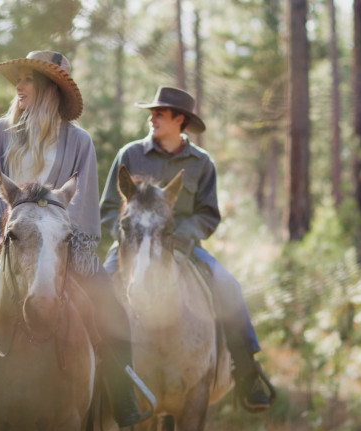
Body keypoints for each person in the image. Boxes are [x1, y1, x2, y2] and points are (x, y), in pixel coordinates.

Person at [0, 50, 151, 431]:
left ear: (50, 88)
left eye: (28, 79)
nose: (19, 87)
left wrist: (69, 245)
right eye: (19, 80)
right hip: (7, 241)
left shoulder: (79, 142)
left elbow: (82, 207)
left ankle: (123, 394)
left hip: (60, 243)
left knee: (112, 307)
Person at [100, 86, 272, 412]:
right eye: (151, 113)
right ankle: (95, 375)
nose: (152, 119)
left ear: (180, 120)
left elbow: (208, 214)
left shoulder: (201, 163)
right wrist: (128, 238)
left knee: (227, 284)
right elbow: (109, 207)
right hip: (133, 245)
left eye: (159, 114)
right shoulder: (130, 155)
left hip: (182, 246)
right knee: (100, 287)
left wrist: (181, 237)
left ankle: (246, 371)